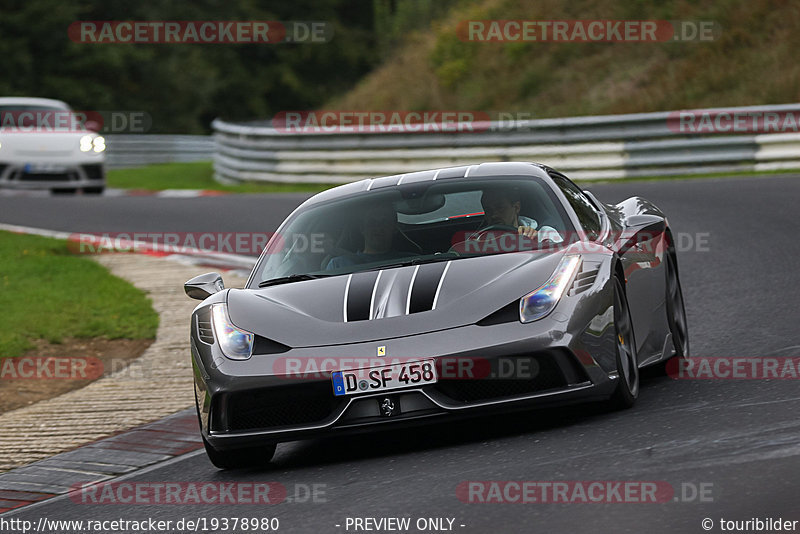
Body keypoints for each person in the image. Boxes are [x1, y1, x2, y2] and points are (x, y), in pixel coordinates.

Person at [325, 202, 413, 270]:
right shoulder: (338, 265)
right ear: (362, 228)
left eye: (384, 222)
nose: (378, 228)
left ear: (394, 228)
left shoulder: (411, 261)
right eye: (372, 222)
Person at [473, 188, 563, 244]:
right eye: (488, 210)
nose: (493, 215)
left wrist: (537, 242)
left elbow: (561, 256)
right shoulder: (478, 240)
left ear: (516, 207)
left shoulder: (544, 233)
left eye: (500, 208)